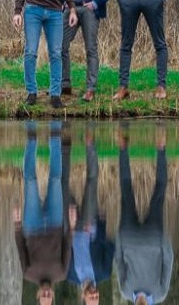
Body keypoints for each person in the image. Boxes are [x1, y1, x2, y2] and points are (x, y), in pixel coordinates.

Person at [14, 121, 77, 304]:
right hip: (56, 223)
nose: (46, 294)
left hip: (32, 225)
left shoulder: (27, 273)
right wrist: (71, 225)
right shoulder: (62, 272)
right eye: (49, 297)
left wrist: (17, 224)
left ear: (37, 295)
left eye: (43, 297)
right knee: (56, 178)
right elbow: (67, 244)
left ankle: (31, 138)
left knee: (31, 181)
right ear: (53, 296)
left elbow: (20, 245)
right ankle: (55, 135)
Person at [114, 124, 173, 304]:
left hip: (138, 238)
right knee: (128, 190)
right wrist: (163, 239)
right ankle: (154, 147)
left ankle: (130, 147)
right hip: (147, 238)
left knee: (154, 190)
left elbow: (168, 262)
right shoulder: (155, 294)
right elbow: (167, 262)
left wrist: (163, 240)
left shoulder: (129, 292)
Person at [63, 123, 114, 304]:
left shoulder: (69, 275)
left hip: (69, 226)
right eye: (97, 297)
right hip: (89, 224)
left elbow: (62, 250)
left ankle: (65, 143)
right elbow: (110, 246)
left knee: (63, 185)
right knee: (92, 182)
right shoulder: (104, 272)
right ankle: (90, 143)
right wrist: (95, 230)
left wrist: (69, 229)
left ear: (83, 298)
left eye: (92, 298)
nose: (95, 295)